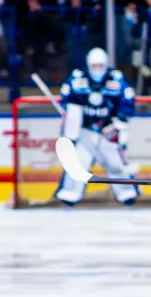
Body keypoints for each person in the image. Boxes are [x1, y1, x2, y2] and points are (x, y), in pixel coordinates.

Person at [56, 48, 138, 207]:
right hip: (85, 131)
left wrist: (117, 123)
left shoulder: (117, 78)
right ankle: (70, 194)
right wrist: (71, 118)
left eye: (101, 66)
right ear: (88, 65)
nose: (97, 70)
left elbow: (128, 102)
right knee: (78, 162)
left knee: (114, 163)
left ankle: (127, 194)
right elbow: (66, 99)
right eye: (94, 66)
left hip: (107, 131)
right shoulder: (77, 78)